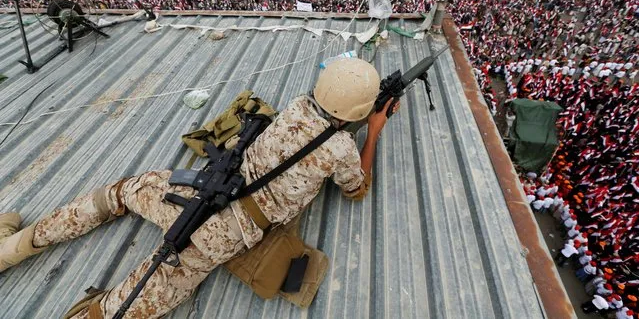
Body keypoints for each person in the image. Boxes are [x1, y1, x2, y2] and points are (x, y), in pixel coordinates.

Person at [0, 58, 400, 318]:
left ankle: (13, 248)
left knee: (120, 193)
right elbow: (356, 189)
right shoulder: (342, 149)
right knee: (132, 303)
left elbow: (312, 127)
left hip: (198, 192)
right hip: (222, 236)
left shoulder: (297, 105)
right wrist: (374, 132)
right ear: (359, 112)